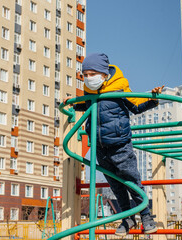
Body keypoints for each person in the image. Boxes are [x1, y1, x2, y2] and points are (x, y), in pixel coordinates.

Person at [63, 53, 164, 236]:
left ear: (103, 74)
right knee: (116, 185)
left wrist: (153, 98)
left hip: (120, 144)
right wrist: (72, 104)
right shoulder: (90, 90)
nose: (88, 78)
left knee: (131, 180)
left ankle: (146, 216)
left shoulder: (119, 87)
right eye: (84, 75)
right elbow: (87, 105)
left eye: (91, 74)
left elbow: (136, 106)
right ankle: (127, 218)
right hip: (100, 147)